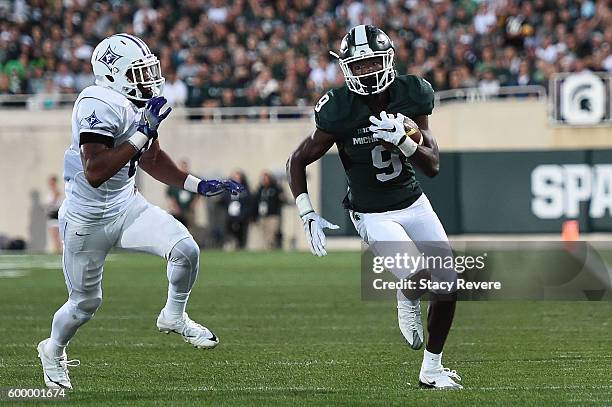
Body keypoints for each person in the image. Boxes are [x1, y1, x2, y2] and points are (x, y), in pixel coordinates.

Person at [37, 33, 244, 390]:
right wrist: (140, 133)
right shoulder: (96, 102)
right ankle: (53, 349)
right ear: (112, 75)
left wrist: (197, 184)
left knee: (186, 250)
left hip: (127, 207)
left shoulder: (139, 103)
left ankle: (173, 316)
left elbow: (149, 157)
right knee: (85, 304)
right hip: (86, 219)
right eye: (137, 71)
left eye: (148, 69)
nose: (148, 79)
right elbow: (96, 171)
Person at [286, 25, 461, 389]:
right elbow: (298, 160)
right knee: (420, 275)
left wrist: (407, 143)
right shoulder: (339, 109)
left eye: (372, 63)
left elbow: (433, 166)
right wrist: (306, 210)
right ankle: (408, 290)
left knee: (448, 281)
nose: (367, 71)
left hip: (413, 201)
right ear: (348, 68)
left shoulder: (412, 93)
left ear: (388, 59)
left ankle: (431, 370)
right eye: (359, 65)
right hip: (371, 213)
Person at [254, 171, 285, 249]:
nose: (264, 180)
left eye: (266, 178)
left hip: (273, 215)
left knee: (272, 233)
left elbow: (282, 200)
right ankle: (266, 248)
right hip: (262, 215)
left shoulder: (275, 188)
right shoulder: (260, 189)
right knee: (264, 233)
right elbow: (255, 201)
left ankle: (271, 248)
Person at [166, 159, 198, 228]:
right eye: (182, 167)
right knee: (177, 227)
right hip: (177, 210)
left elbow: (197, 194)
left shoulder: (192, 180)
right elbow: (170, 195)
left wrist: (194, 204)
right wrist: (174, 206)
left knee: (190, 227)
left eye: (185, 167)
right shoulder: (174, 179)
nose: (184, 169)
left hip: (188, 209)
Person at [224, 171, 251, 250]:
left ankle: (241, 246)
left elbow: (248, 202)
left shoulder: (244, 189)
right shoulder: (227, 189)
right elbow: (224, 199)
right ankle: (231, 245)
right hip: (230, 215)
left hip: (241, 215)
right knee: (230, 231)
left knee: (241, 233)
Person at [45, 175, 63, 254]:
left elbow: (53, 203)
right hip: (51, 215)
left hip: (55, 214)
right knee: (54, 236)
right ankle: (57, 250)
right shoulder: (50, 192)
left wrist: (49, 205)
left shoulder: (56, 192)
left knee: (55, 235)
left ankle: (58, 251)